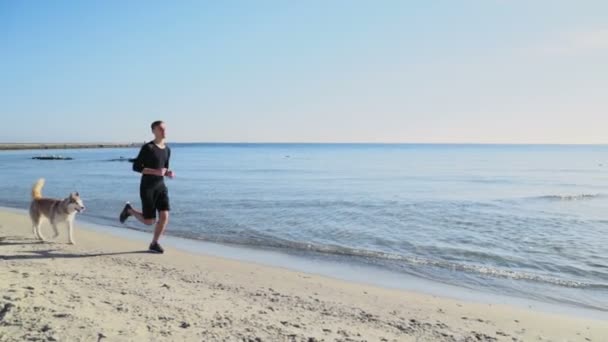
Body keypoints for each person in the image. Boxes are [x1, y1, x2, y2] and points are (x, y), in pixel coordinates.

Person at [119, 120, 174, 253]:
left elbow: (164, 168)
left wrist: (168, 173)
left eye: (165, 129)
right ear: (154, 131)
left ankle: (154, 243)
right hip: (148, 187)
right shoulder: (148, 148)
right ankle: (129, 210)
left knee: (165, 216)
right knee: (149, 221)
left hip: (161, 187)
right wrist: (155, 171)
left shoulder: (167, 149)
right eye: (161, 129)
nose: (164, 131)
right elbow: (136, 167)